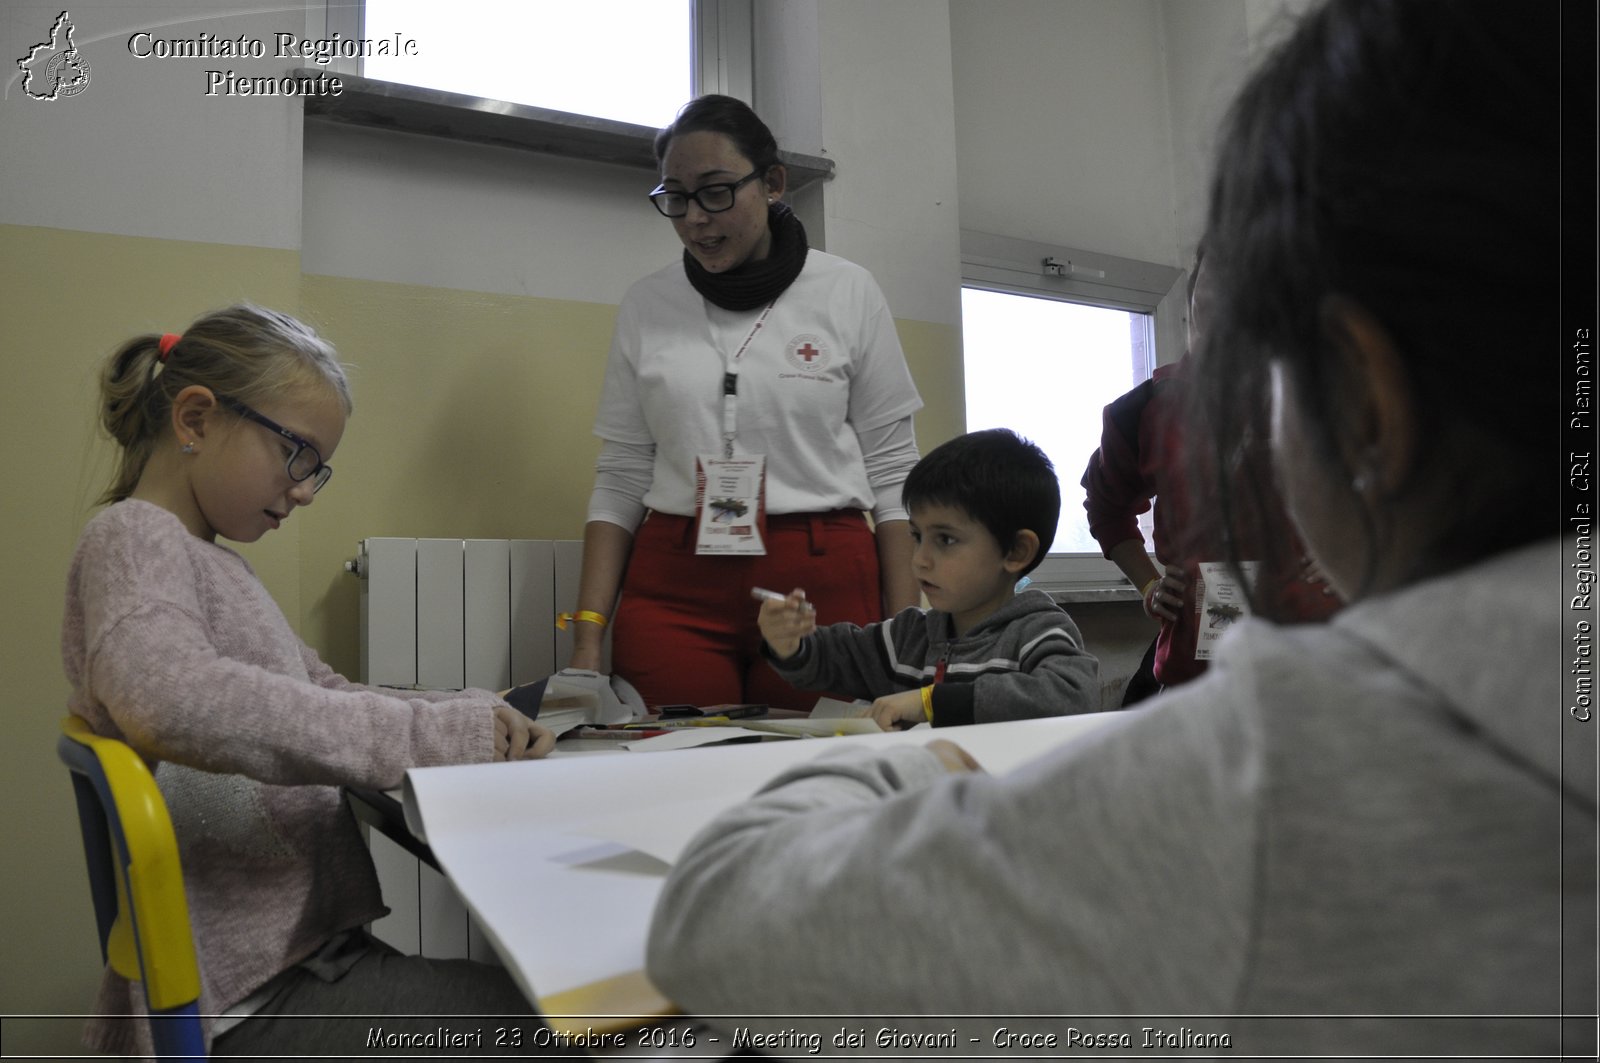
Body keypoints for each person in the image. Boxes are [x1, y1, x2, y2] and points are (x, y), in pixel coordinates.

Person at [646, 1, 1587, 1054]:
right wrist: (815, 649)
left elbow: (718, 922)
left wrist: (912, 752)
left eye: (1245, 375)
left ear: (1361, 406)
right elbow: (861, 651)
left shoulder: (1282, 782)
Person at [62, 306, 561, 1059]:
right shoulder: (132, 538)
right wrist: (434, 734)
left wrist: (466, 711)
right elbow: (173, 699)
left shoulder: (213, 562)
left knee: (570, 1005)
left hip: (299, 971)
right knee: (586, 1020)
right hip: (260, 1000)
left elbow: (322, 686)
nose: (305, 491)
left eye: (316, 468)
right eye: (297, 454)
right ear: (195, 416)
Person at [567, 94, 924, 712]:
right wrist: (586, 641)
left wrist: (909, 637)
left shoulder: (846, 291)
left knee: (814, 772)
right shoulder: (649, 304)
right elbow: (622, 474)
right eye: (674, 198)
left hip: (820, 577)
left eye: (715, 191)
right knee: (673, 766)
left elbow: (893, 473)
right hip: (677, 580)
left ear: (774, 183)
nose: (695, 218)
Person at [1082, 248, 1340, 706]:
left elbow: (1394, 493)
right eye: (1207, 318)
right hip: (1204, 643)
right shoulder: (1145, 411)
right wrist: (1148, 585)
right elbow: (1106, 508)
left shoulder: (1328, 401)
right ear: (1189, 314)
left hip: (1317, 644)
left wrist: (1343, 552)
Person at [758, 428, 1100, 728]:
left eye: (945, 540)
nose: (919, 560)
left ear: (1016, 552)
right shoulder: (908, 636)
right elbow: (835, 656)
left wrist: (929, 702)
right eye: (917, 536)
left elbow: (1072, 697)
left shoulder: (1037, 632)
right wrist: (791, 644)